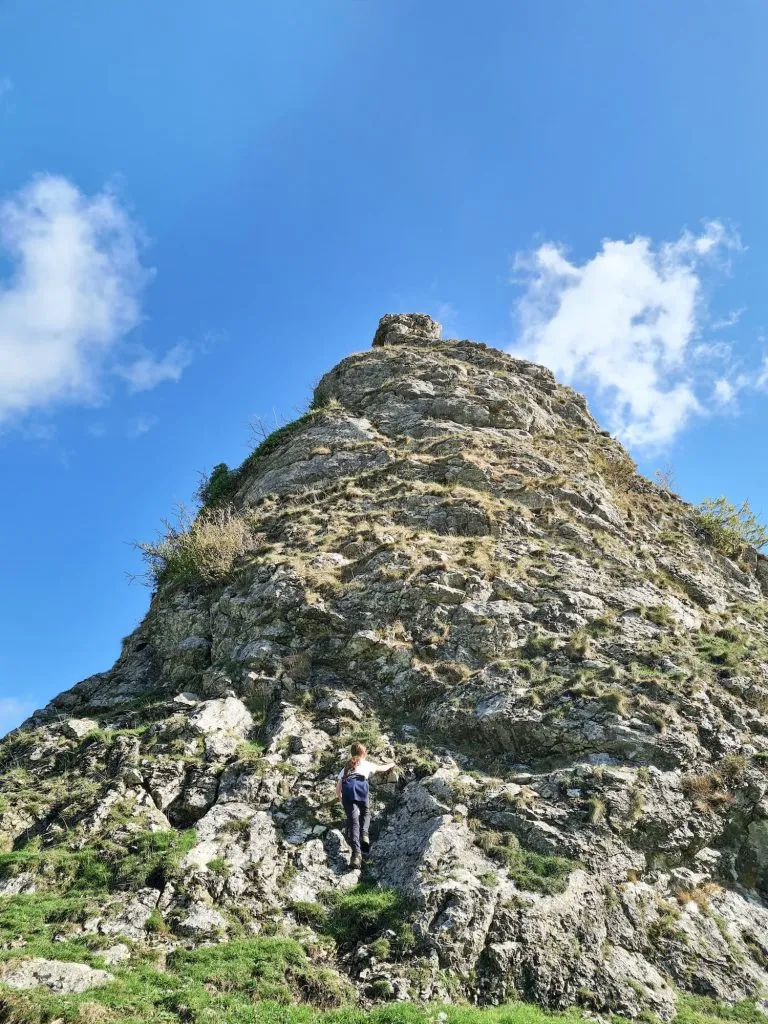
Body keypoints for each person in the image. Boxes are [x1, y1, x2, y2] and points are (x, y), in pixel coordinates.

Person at [336, 741, 396, 868]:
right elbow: (382, 768)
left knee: (353, 822)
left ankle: (356, 855)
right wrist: (392, 764)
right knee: (365, 812)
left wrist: (343, 801)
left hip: (348, 793)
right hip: (361, 789)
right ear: (364, 753)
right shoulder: (365, 764)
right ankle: (364, 834)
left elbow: (338, 789)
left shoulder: (345, 767)